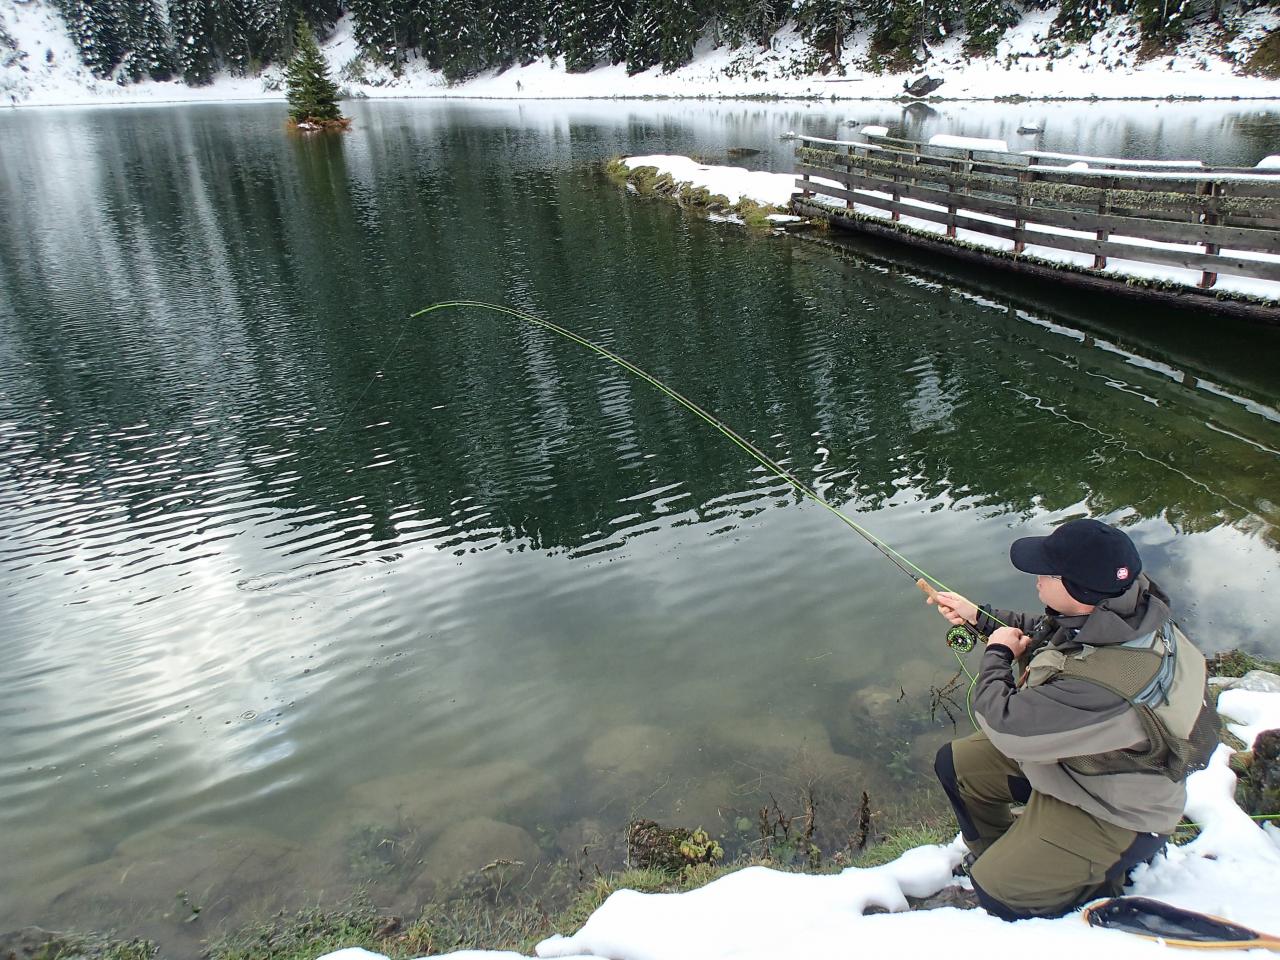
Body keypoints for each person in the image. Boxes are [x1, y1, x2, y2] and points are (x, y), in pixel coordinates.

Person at [926, 518, 1217, 921]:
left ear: (1077, 590)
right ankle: (1008, 854)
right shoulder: (1127, 605)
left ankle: (1099, 883)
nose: (1037, 579)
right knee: (957, 765)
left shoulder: (1106, 685)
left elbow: (1003, 722)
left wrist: (998, 654)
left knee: (998, 893)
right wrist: (980, 616)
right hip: (1085, 765)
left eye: (1047, 573)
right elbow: (1052, 634)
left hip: (1118, 814)